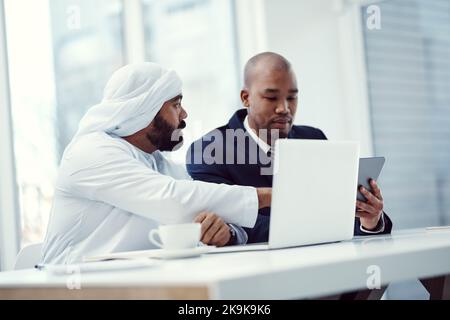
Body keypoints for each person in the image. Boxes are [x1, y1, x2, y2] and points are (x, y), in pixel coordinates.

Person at [41, 62, 271, 264]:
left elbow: (200, 210)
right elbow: (173, 199)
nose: (185, 115)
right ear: (145, 109)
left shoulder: (160, 165)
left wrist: (225, 232)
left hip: (137, 285)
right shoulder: (90, 152)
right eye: (176, 105)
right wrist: (270, 195)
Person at [186, 52, 392, 244]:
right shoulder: (209, 151)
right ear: (246, 98)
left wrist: (370, 220)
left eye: (291, 97)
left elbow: (343, 218)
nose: (284, 108)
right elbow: (234, 227)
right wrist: (325, 223)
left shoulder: (314, 138)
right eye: (271, 97)